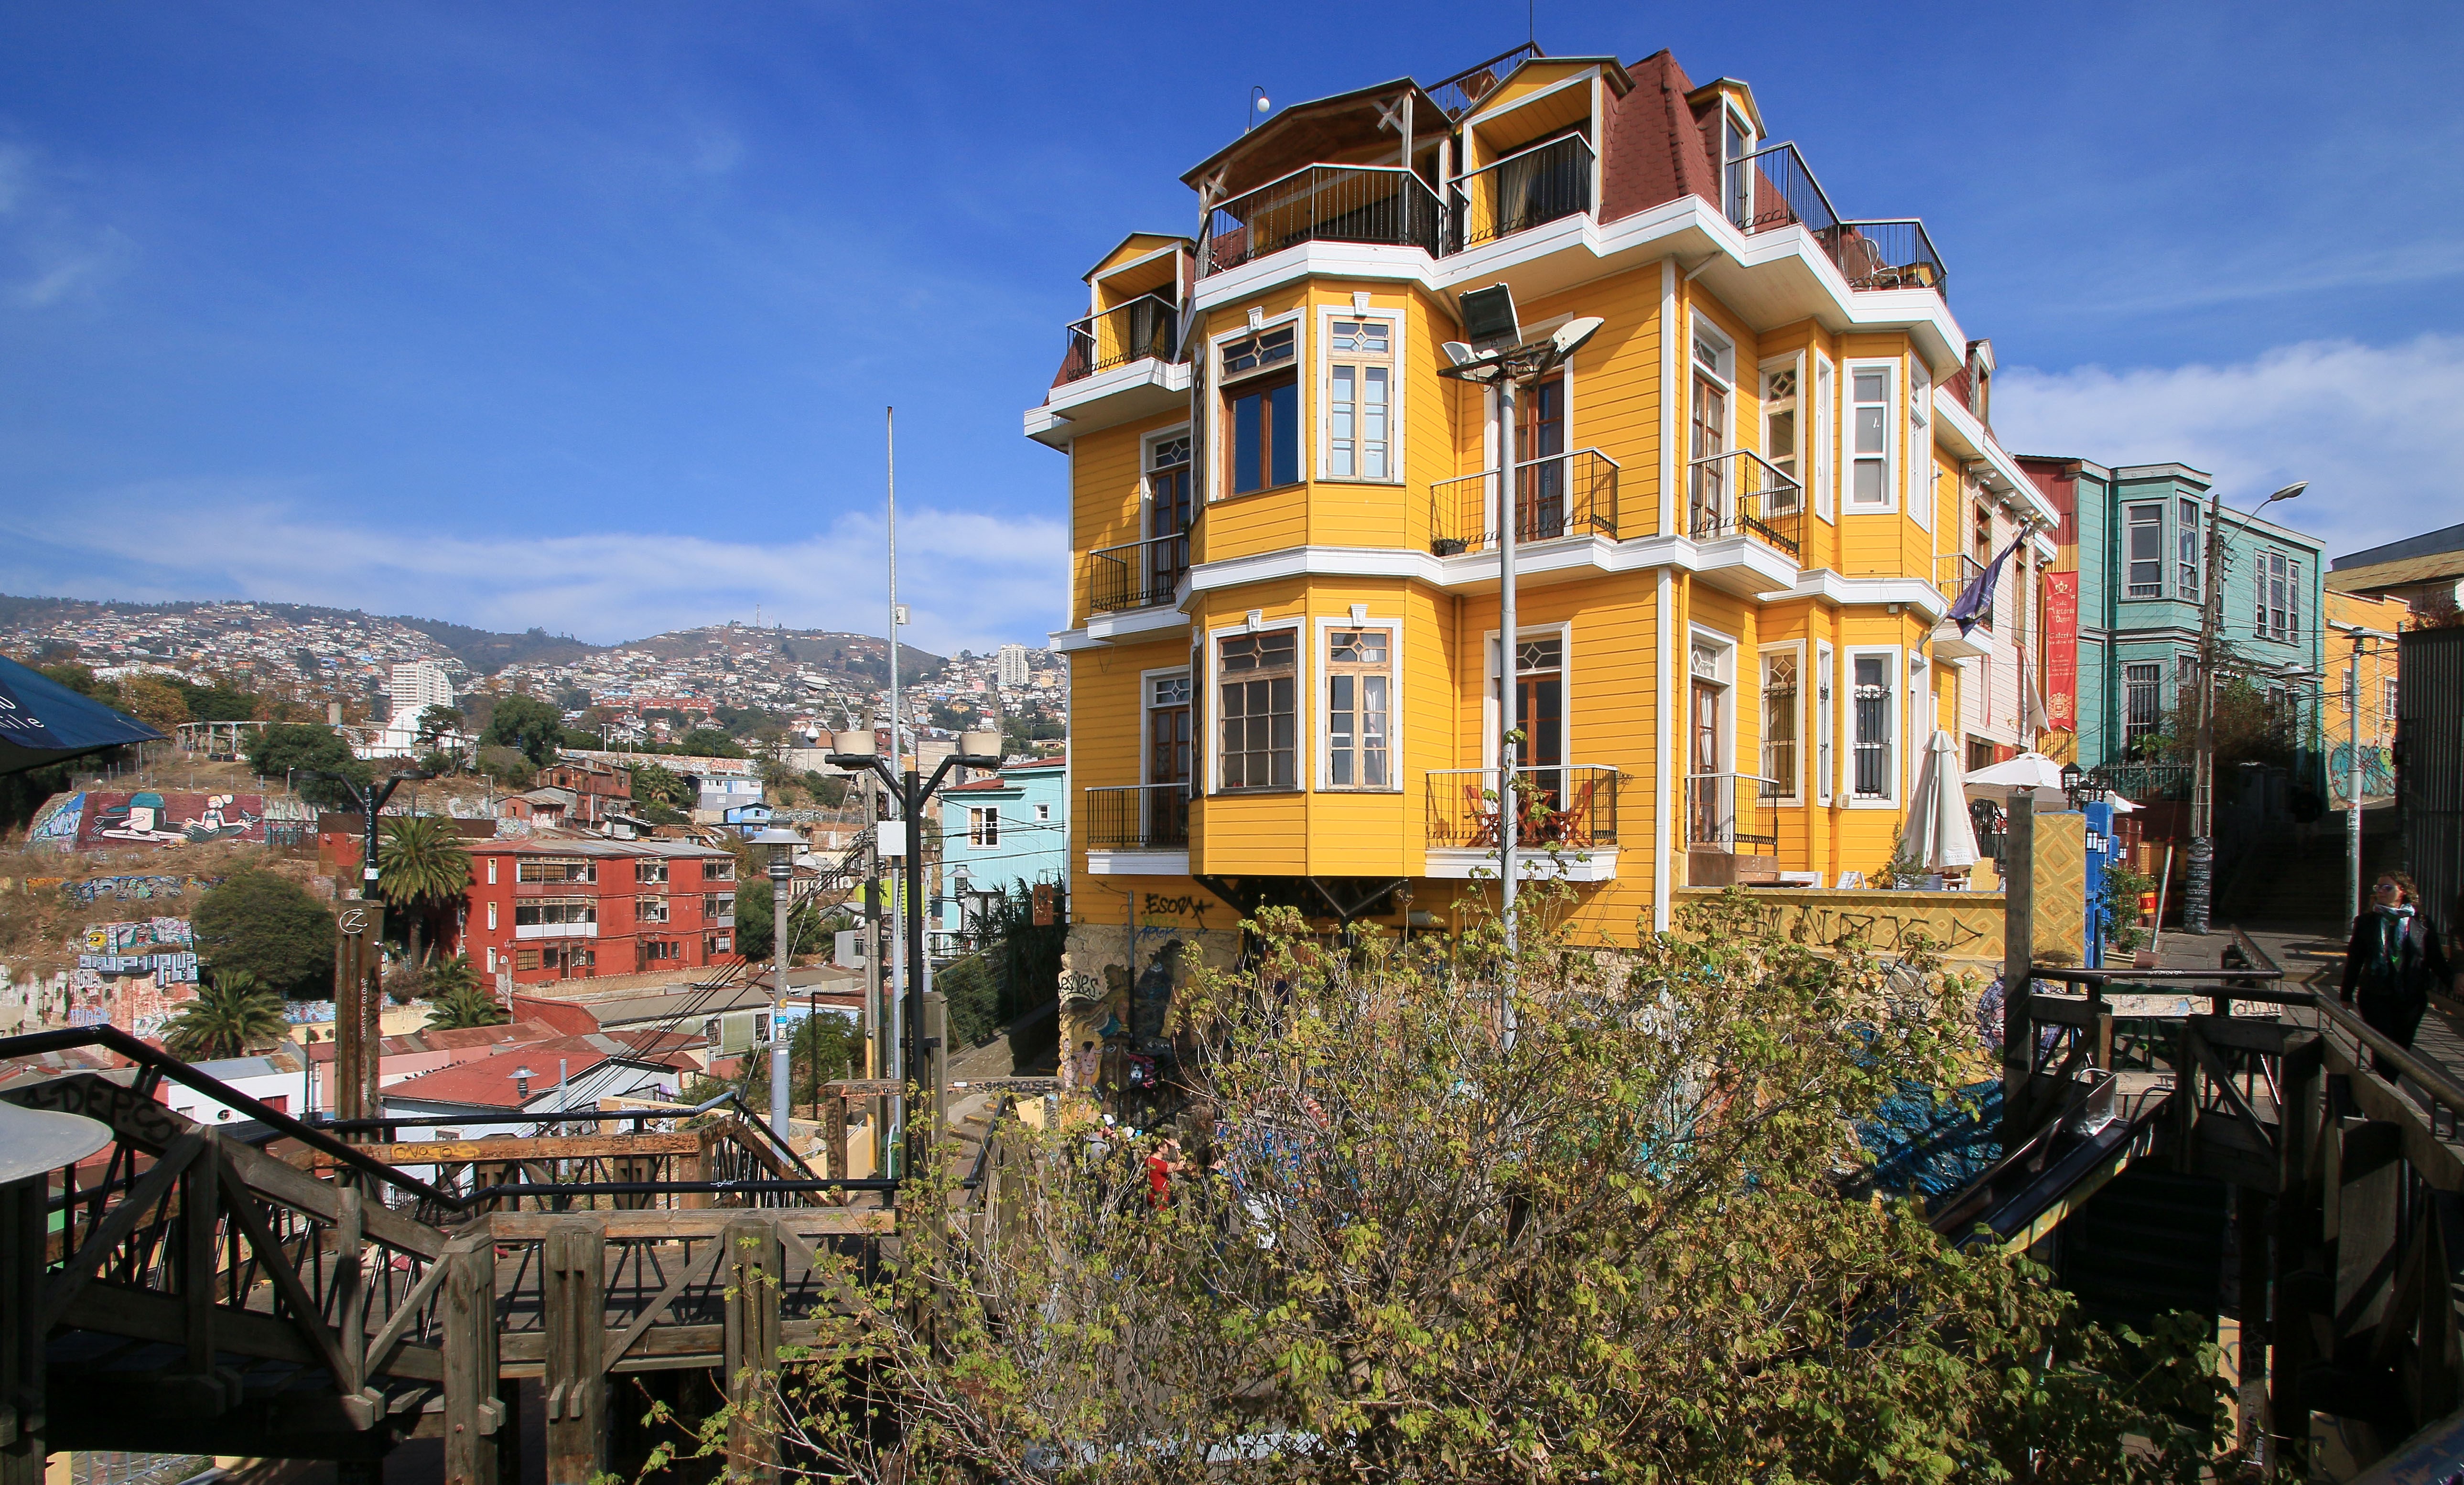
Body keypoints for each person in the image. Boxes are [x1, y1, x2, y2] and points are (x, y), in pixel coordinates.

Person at [2340, 871, 2449, 1076]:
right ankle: (2382, 1097)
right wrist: (2346, 994)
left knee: (2400, 1053)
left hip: (2411, 998)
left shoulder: (2422, 922)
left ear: (2403, 892)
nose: (2381, 891)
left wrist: (2454, 983)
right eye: (2378, 888)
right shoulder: (2367, 922)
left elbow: (2435, 959)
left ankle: (2384, 1091)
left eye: (2387, 887)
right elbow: (2355, 960)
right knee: (2384, 1049)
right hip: (2375, 995)